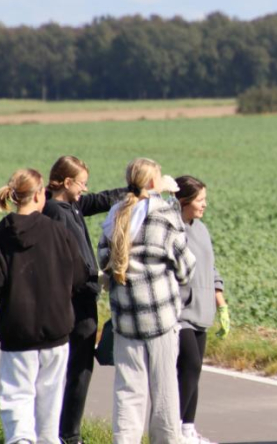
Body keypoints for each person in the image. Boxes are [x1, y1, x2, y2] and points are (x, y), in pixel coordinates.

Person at [0, 168, 87, 444]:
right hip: (57, 327)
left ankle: (20, 440)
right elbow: (78, 276)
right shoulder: (57, 231)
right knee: (50, 397)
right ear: (40, 194)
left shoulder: (0, 234)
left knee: (17, 395)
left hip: (17, 329)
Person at [97, 158, 196, 444]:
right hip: (161, 319)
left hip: (125, 320)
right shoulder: (164, 214)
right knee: (165, 391)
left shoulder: (115, 214)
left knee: (128, 392)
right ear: (154, 182)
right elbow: (186, 268)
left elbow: (104, 259)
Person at [42, 155, 127, 444]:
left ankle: (65, 431)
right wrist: (93, 276)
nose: (85, 190)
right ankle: (68, 433)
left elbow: (103, 199)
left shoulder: (70, 206)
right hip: (73, 300)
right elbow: (69, 259)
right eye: (81, 184)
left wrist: (138, 190)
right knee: (76, 366)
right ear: (67, 182)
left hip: (81, 295)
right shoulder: (56, 212)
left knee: (79, 365)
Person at [174, 175, 231, 444]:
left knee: (194, 371)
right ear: (183, 201)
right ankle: (172, 429)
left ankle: (187, 429)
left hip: (203, 311)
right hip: (181, 313)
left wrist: (221, 304)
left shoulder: (202, 229)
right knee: (190, 364)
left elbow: (211, 267)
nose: (204, 205)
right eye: (200, 200)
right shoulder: (173, 229)